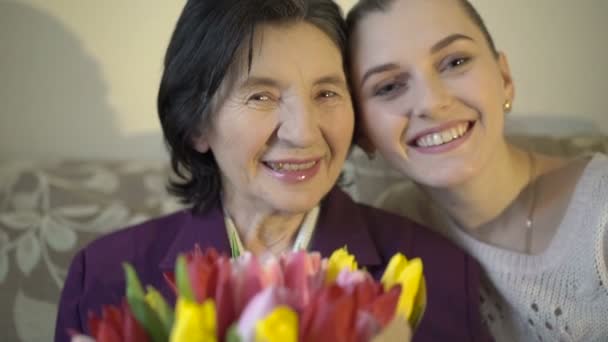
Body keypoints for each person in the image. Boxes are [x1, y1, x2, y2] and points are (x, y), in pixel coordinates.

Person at [54, 0, 488, 341]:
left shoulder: (434, 270)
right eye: (261, 96)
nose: (303, 133)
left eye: (327, 93)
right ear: (196, 124)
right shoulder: (104, 275)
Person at [347, 0, 608, 340]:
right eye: (389, 86)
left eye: (455, 62)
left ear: (504, 78)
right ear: (362, 133)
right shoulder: (389, 232)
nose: (430, 102)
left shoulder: (600, 212)